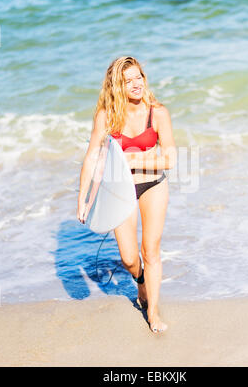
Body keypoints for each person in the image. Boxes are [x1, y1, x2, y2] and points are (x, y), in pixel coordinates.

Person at [77, 56, 177, 333]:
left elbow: (169, 158)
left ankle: (153, 311)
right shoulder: (107, 116)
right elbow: (92, 158)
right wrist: (83, 199)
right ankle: (141, 281)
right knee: (130, 258)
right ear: (117, 87)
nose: (136, 84)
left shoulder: (158, 113)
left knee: (151, 251)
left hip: (153, 185)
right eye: (127, 80)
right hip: (120, 189)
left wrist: (134, 162)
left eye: (138, 77)